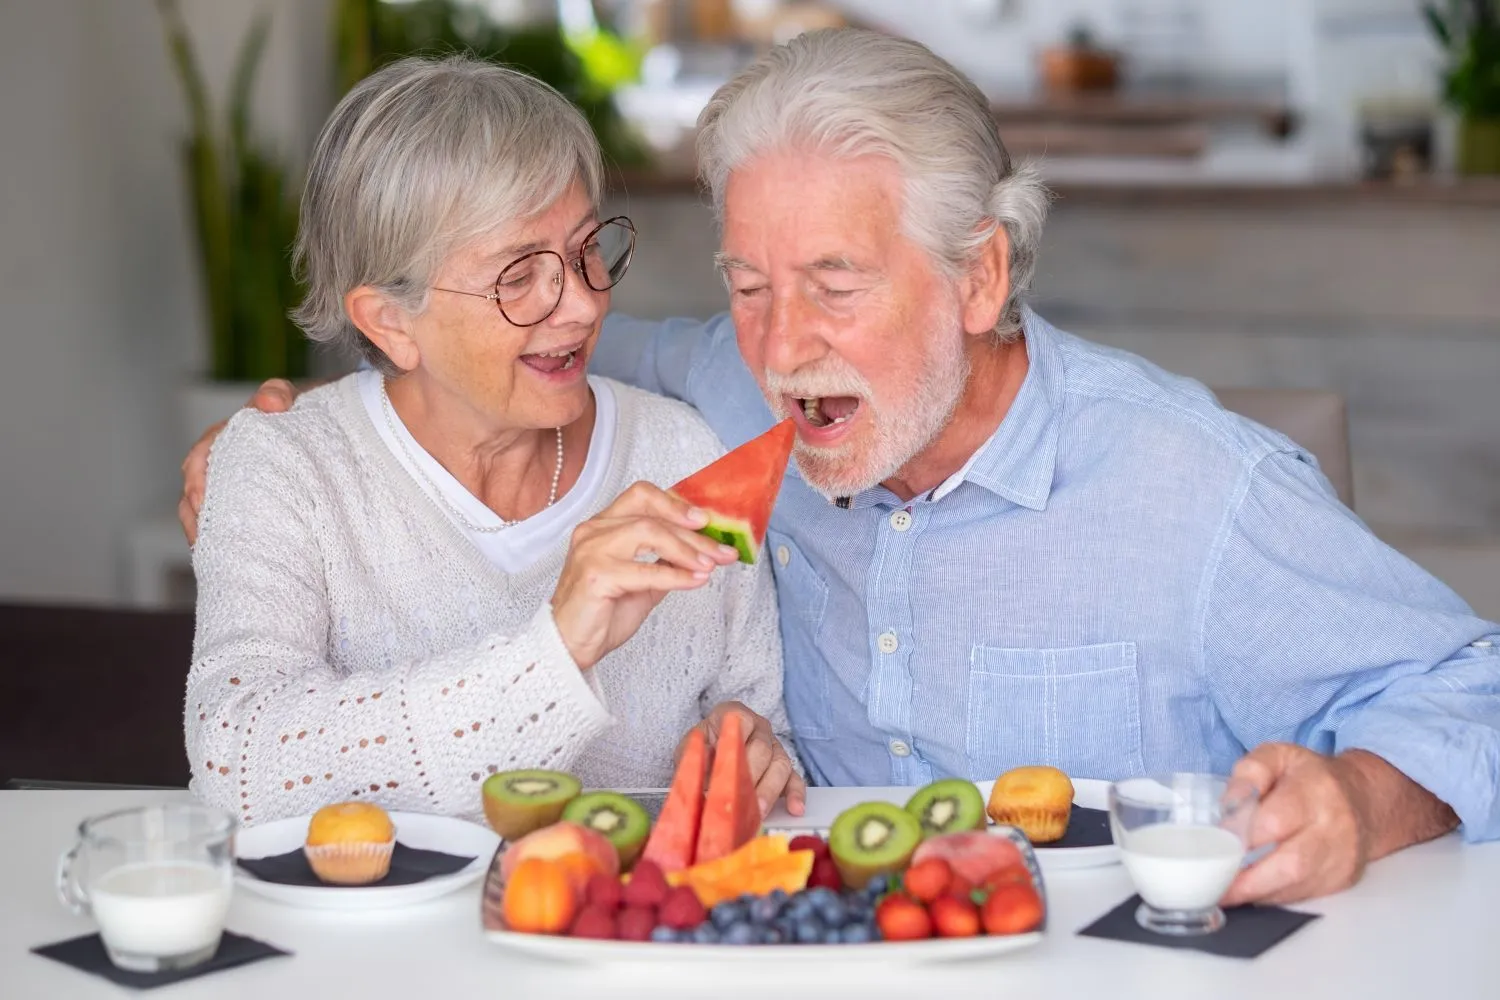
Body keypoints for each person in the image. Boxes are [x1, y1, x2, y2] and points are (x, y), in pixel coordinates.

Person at [182, 30, 1499, 903]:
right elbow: (487, 346)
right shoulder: (703, 386)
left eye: (835, 285)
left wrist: (1362, 803)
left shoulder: (1197, 489)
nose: (782, 344)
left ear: (981, 275)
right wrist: (285, 433)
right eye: (749, 285)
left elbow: (1471, 694)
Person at [183, 56, 802, 828]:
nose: (579, 306)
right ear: (389, 322)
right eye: (518, 276)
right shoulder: (285, 468)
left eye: (586, 251)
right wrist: (556, 649)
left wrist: (750, 744)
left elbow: (756, 712)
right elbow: (237, 759)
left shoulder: (684, 452)